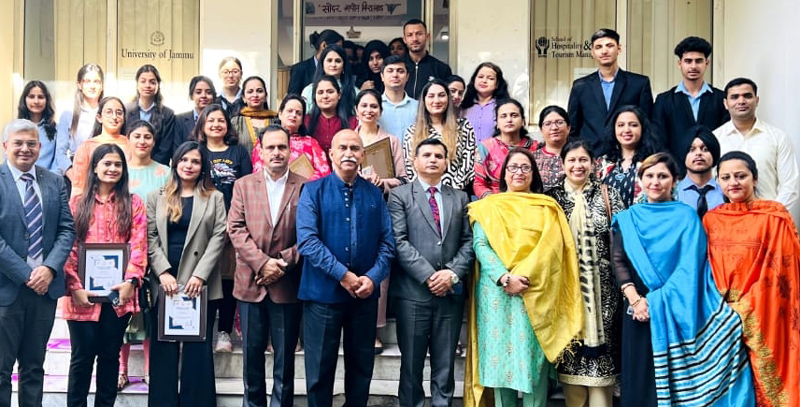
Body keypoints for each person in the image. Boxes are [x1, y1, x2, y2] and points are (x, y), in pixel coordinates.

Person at [611, 152, 755, 407]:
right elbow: (619, 261)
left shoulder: (687, 217)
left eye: (663, 176)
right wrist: (636, 300)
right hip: (638, 309)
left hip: (677, 306)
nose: (656, 182)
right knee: (640, 379)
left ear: (675, 180)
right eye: (650, 175)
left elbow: (691, 267)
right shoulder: (628, 218)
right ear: (640, 179)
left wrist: (656, 301)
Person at [465, 148, 582, 407]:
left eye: (525, 168)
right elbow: (481, 245)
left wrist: (522, 277)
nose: (518, 172)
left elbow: (550, 248)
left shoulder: (546, 207)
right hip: (496, 293)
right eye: (513, 167)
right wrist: (505, 278)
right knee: (499, 362)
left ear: (533, 174)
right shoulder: (487, 207)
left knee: (532, 362)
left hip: (534, 290)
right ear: (503, 174)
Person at [296, 129, 395, 407]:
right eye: (343, 148)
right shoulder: (313, 191)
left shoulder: (374, 194)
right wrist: (344, 275)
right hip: (322, 295)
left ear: (363, 155)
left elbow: (387, 243)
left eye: (355, 148)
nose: (349, 153)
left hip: (364, 295)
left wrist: (373, 278)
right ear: (331, 154)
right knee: (319, 372)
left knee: (361, 370)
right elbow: (307, 242)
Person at [704, 151, 800, 407]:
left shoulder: (774, 216)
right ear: (718, 183)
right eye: (726, 177)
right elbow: (707, 270)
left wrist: (746, 306)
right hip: (721, 315)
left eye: (740, 176)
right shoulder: (712, 219)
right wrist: (725, 308)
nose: (733, 182)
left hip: (765, 313)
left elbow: (783, 271)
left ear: (755, 179)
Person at [388, 138, 474, 407]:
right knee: (411, 366)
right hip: (413, 295)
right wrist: (429, 276)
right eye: (426, 154)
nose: (433, 159)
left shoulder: (459, 198)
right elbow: (398, 241)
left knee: (445, 365)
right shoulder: (400, 196)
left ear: (447, 162)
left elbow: (469, 241)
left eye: (439, 155)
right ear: (414, 161)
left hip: (449, 294)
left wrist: (451, 274)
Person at [228, 126, 307, 407]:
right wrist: (263, 263)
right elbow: (235, 229)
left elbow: (311, 235)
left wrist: (283, 263)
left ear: (290, 150)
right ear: (260, 151)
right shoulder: (244, 185)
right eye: (270, 147)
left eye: (281, 147)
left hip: (287, 285)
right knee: (251, 357)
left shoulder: (306, 186)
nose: (276, 152)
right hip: (251, 283)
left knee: (285, 359)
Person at [63, 144, 147, 407]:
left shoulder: (133, 203)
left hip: (117, 295)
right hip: (81, 296)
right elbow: (69, 245)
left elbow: (139, 244)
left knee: (110, 356)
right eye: (107, 163)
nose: (112, 169)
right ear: (95, 167)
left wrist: (131, 281)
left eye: (118, 164)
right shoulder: (77, 203)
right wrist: (75, 286)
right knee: (81, 357)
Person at [0, 119, 75, 407]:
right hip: (7, 291)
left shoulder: (54, 180)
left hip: (45, 291)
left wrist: (49, 268)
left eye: (31, 143)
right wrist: (27, 274)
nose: (25, 149)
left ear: (40, 147)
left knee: (34, 368)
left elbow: (66, 229)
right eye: (18, 143)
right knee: (2, 370)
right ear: (6, 146)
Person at [146, 141, 226, 407]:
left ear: (202, 167)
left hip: (198, 286)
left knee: (198, 352)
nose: (189, 166)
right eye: (184, 160)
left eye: (195, 161)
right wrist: (163, 273)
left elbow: (219, 237)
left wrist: (200, 275)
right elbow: (149, 237)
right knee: (163, 351)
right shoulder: (156, 196)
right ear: (175, 163)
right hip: (164, 284)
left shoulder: (215, 197)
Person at [546, 140, 623, 407]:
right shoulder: (552, 198)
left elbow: (622, 240)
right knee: (572, 373)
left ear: (593, 163)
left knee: (602, 375)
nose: (578, 165)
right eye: (572, 160)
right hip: (567, 295)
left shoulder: (608, 194)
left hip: (605, 297)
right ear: (563, 164)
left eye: (583, 160)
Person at [192, 104, 253, 352]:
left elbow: (248, 187)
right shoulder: (196, 152)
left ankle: (224, 332)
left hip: (233, 225)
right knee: (201, 277)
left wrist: (234, 222)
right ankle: (199, 329)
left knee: (227, 280)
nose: (216, 125)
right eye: (211, 121)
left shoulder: (238, 152)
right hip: (201, 226)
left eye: (221, 120)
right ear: (202, 126)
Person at [117, 120, 170, 390]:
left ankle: (150, 369)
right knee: (121, 311)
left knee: (150, 312)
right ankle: (121, 369)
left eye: (148, 136)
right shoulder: (118, 169)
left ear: (154, 140)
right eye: (136, 136)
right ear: (128, 138)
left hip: (155, 249)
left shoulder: (165, 172)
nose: (142, 141)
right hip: (121, 252)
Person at [713, 77, 800, 221]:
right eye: (734, 97)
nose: (741, 101)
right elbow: (710, 183)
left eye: (747, 96)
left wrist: (771, 215)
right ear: (725, 103)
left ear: (757, 100)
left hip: (769, 221)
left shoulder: (778, 137)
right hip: (728, 223)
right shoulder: (715, 139)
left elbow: (790, 186)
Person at [567, 28, 653, 156]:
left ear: (619, 49)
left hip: (627, 156)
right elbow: (573, 128)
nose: (604, 51)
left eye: (609, 45)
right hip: (591, 157)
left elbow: (647, 124)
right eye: (598, 47)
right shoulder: (581, 86)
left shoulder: (639, 83)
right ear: (592, 52)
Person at [652, 36, 728, 170]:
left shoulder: (721, 99)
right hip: (676, 174)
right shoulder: (664, 100)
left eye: (698, 61)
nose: (693, 66)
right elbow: (659, 141)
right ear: (679, 63)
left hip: (714, 173)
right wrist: (676, 170)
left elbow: (725, 138)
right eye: (688, 61)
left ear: (707, 63)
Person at [403, 79, 477, 191]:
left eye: (441, 95)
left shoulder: (463, 127)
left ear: (448, 99)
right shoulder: (412, 131)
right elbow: (410, 168)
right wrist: (430, 192)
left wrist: (449, 192)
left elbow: (468, 166)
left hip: (457, 194)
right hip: (423, 196)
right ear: (424, 100)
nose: (436, 100)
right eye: (431, 96)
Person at [254, 94, 331, 179]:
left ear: (302, 119)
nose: (294, 115)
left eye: (298, 113)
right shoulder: (266, 139)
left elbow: (324, 173)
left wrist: (302, 183)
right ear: (280, 114)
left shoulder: (311, 143)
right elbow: (258, 172)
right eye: (290, 111)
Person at [66, 96, 131, 198]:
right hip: (93, 205)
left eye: (119, 112)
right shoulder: (87, 147)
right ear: (99, 118)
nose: (114, 117)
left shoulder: (131, 144)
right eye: (109, 112)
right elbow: (78, 187)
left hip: (126, 202)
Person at [474, 98, 537, 198]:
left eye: (514, 115)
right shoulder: (485, 148)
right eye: (503, 116)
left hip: (529, 201)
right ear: (497, 123)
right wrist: (494, 202)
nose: (509, 120)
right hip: (495, 203)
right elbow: (479, 184)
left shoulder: (535, 147)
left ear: (523, 121)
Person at [598, 106, 660, 207]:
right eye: (621, 125)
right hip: (608, 222)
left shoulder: (654, 163)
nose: (626, 130)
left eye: (633, 125)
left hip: (642, 221)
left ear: (642, 128)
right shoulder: (602, 163)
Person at [124, 64, 177, 166]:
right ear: (137, 85)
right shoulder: (126, 111)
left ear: (157, 85)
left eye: (152, 82)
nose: (147, 85)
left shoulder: (167, 114)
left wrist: (149, 167)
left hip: (156, 169)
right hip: (129, 167)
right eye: (143, 81)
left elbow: (165, 149)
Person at [355, 89, 406, 193]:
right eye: (364, 106)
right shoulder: (347, 141)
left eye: (374, 106)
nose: (368, 110)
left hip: (386, 201)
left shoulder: (392, 141)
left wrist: (382, 183)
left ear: (380, 111)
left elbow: (403, 180)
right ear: (356, 110)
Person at [17, 80, 71, 174]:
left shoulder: (56, 129)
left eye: (41, 97)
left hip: (48, 182)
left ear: (47, 100)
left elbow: (58, 159)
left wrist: (48, 181)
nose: (36, 101)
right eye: (31, 97)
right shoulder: (15, 129)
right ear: (25, 100)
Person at [57, 63, 105, 160]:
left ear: (102, 86)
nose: (92, 86)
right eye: (87, 81)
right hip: (74, 167)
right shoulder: (68, 114)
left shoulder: (107, 113)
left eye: (96, 82)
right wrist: (70, 172)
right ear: (79, 85)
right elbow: (60, 153)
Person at [675, 125, 724, 217]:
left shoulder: (725, 191)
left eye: (705, 149)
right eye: (691, 150)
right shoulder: (673, 193)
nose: (698, 153)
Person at [305, 76, 358, 153]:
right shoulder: (306, 121)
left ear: (339, 95)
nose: (325, 96)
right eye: (320, 92)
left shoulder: (353, 122)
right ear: (315, 97)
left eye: (330, 92)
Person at [301, 44, 359, 114]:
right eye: (329, 60)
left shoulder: (354, 92)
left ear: (344, 65)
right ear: (322, 63)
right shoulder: (309, 90)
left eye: (338, 61)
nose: (333, 64)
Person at [402, 19, 453, 99]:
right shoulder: (397, 68)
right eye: (410, 35)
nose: (415, 39)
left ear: (427, 36)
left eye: (419, 34)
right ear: (404, 39)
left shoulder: (441, 68)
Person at [461, 62, 511, 143]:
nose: (484, 81)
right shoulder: (463, 107)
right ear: (474, 80)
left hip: (495, 154)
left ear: (497, 84)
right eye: (480, 77)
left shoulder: (504, 107)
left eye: (490, 78)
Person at [288, 29, 344, 95]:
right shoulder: (300, 69)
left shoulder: (338, 69)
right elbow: (293, 97)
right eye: (337, 47)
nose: (339, 51)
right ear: (324, 45)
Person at [231, 76, 279, 154]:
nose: (255, 95)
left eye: (259, 91)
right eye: (250, 91)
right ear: (243, 97)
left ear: (265, 96)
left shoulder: (276, 121)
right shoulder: (236, 122)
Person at [378, 56, 419, 141]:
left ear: (407, 77)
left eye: (400, 71)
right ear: (382, 76)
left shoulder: (418, 107)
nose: (395, 75)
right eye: (390, 71)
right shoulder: (374, 107)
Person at [533, 106, 570, 190]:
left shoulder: (579, 156)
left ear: (568, 127)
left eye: (559, 122)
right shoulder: (532, 159)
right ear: (541, 130)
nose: (554, 128)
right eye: (548, 124)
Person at [176, 75, 217, 146]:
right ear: (192, 95)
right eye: (198, 92)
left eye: (208, 92)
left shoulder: (219, 120)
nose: (204, 95)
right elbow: (176, 150)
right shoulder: (179, 120)